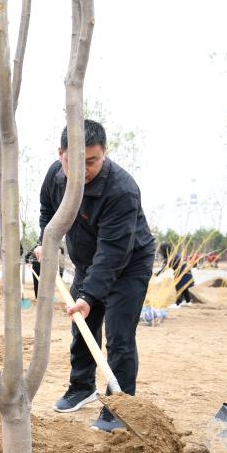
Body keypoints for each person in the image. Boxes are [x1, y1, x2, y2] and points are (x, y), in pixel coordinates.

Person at [39, 119, 156, 433]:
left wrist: (89, 295)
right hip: (89, 263)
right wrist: (45, 242)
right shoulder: (54, 176)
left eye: (91, 161)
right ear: (60, 153)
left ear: (104, 154)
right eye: (73, 161)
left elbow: (113, 252)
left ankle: (118, 405)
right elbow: (48, 212)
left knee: (119, 336)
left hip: (128, 265)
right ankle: (81, 387)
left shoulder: (122, 190)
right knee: (82, 325)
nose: (82, 169)